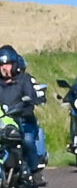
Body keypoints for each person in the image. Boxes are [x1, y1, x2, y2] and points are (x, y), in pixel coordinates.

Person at [0, 45, 47, 177]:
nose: (4, 68)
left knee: (27, 140)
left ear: (14, 65)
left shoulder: (24, 79)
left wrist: (27, 103)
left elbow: (32, 96)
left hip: (23, 120)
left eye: (7, 64)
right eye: (1, 65)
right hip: (3, 123)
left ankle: (34, 171)